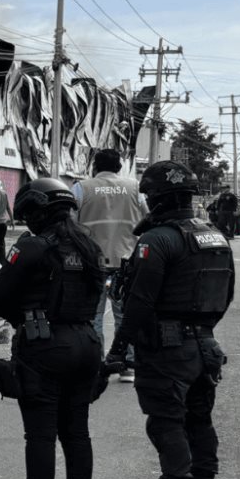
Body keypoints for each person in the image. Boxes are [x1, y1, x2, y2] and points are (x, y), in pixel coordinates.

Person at [106, 161, 235, 479]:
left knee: (165, 422)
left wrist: (119, 350)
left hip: (167, 348)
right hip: (205, 345)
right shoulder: (215, 236)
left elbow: (140, 303)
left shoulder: (157, 239)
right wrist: (202, 330)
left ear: (158, 199)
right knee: (199, 420)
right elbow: (226, 295)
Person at [0, 178, 106, 479]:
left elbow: (1, 297)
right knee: (77, 433)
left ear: (37, 211)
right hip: (87, 342)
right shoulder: (87, 244)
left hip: (45, 345)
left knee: (40, 435)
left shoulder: (33, 247)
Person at [73, 148, 147, 383]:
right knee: (125, 315)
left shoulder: (81, 187)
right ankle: (127, 365)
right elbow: (149, 218)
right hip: (127, 262)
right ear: (119, 167)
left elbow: (70, 222)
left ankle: (95, 365)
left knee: (92, 316)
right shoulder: (135, 188)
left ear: (95, 166)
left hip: (91, 262)